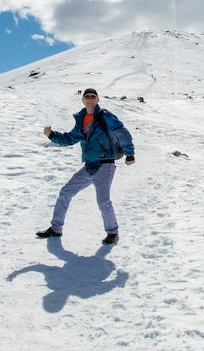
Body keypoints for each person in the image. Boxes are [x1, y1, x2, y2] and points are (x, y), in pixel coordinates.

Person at [37, 88, 135, 244]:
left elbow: (122, 132)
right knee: (65, 192)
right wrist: (52, 135)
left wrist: (130, 154)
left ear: (97, 99)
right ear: (83, 100)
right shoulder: (82, 119)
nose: (89, 99)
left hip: (105, 165)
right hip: (89, 166)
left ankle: (112, 232)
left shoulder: (105, 116)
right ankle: (55, 229)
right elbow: (70, 138)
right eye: (87, 97)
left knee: (103, 201)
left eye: (93, 97)